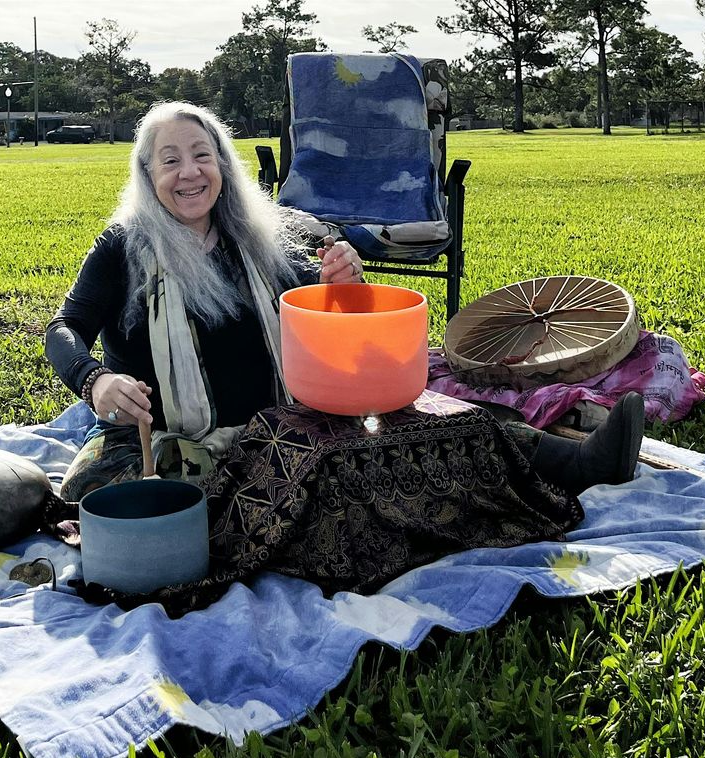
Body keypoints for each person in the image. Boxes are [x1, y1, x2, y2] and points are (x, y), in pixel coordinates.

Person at [47, 101, 644, 505]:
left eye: (202, 155)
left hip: (277, 424)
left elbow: (320, 306)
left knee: (423, 422)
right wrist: (94, 381)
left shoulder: (253, 238)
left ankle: (575, 464)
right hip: (169, 446)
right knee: (128, 501)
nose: (189, 173)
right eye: (169, 160)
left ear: (223, 166)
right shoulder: (122, 247)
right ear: (146, 173)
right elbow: (64, 330)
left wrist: (342, 280)